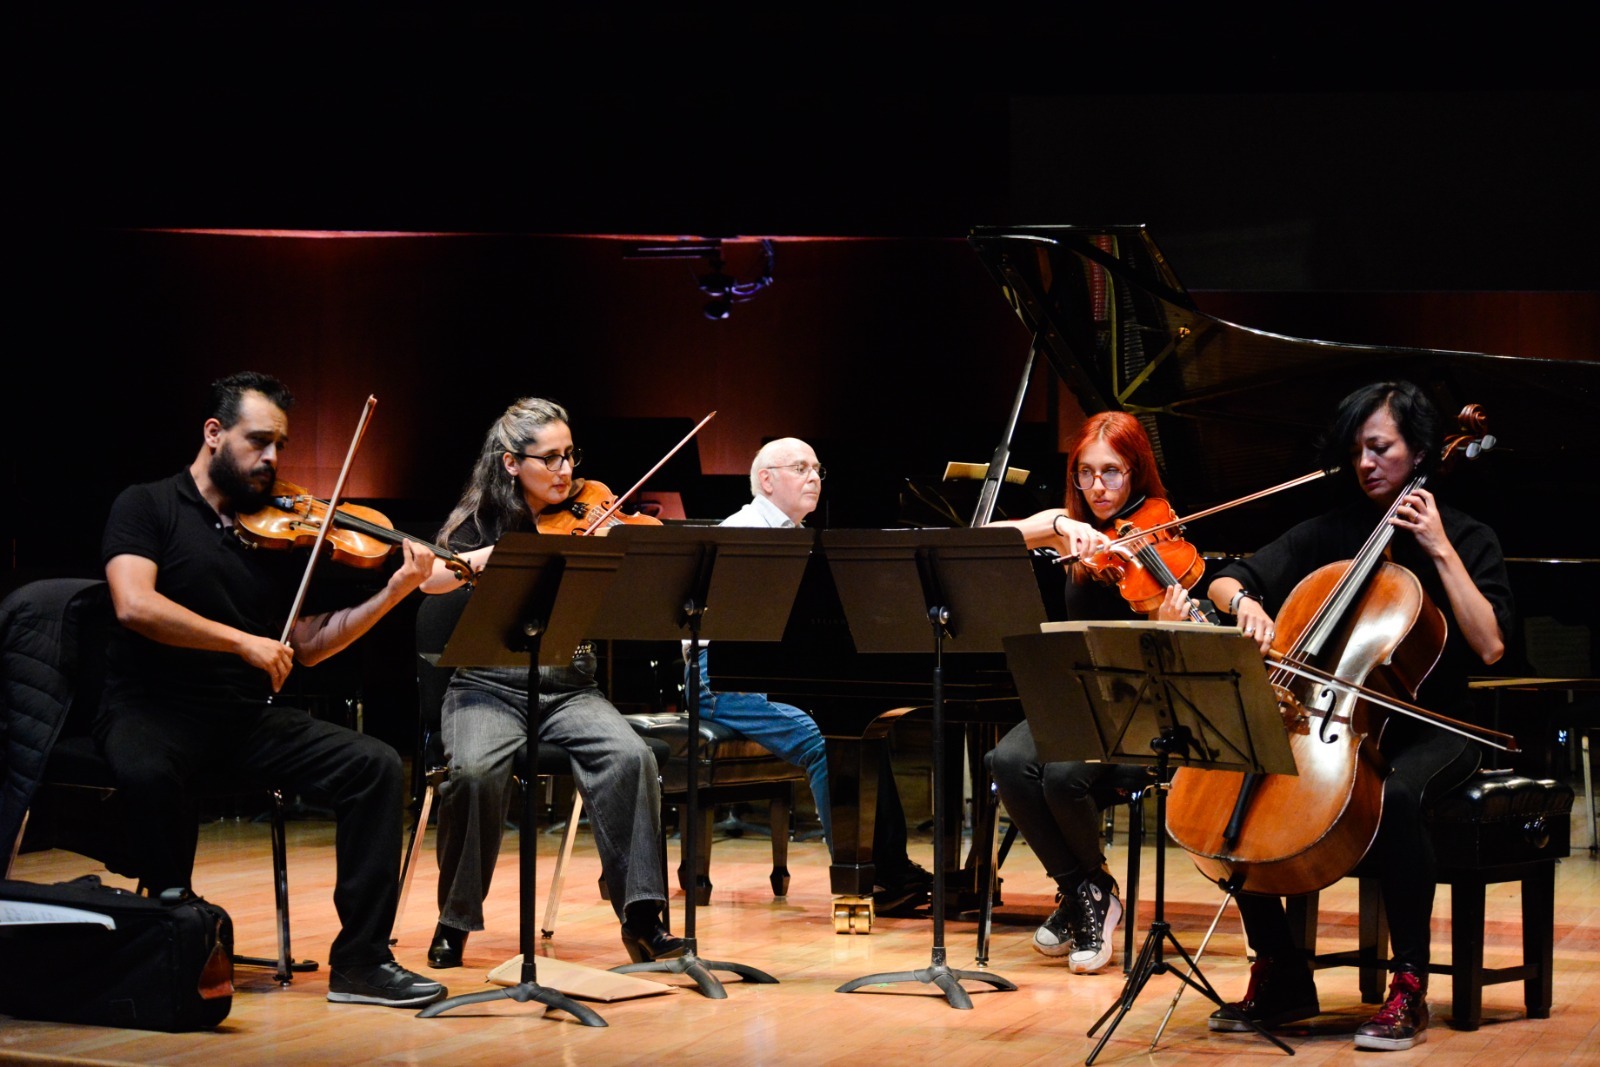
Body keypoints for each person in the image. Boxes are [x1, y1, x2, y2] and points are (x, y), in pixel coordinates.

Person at [96, 371, 446, 1008]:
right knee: (148, 771)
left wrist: (392, 593)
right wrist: (240, 642)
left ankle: (362, 961)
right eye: (259, 442)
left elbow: (307, 642)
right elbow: (133, 604)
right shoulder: (146, 506)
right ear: (214, 433)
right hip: (153, 707)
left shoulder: (275, 530)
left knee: (372, 766)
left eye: (280, 445)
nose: (273, 460)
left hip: (242, 718)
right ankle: (176, 930)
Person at [1203, 381, 1512, 1052]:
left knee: (1394, 795)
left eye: (1379, 448)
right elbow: (1230, 574)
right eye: (1356, 451)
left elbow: (1489, 643)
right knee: (1240, 784)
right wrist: (1245, 605)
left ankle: (1408, 983)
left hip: (1435, 728)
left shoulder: (1466, 536)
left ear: (1423, 452)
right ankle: (1282, 968)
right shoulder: (1334, 530)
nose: (1365, 463)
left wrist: (1437, 548)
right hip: (1337, 721)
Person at [418, 398, 683, 969]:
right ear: (512, 463)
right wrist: (499, 555)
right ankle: (455, 918)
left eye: (569, 455)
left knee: (631, 757)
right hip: (487, 685)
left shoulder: (593, 510)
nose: (565, 471)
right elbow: (431, 578)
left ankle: (641, 918)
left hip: (569, 686)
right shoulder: (482, 518)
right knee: (471, 773)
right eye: (550, 459)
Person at [688, 437, 933, 912]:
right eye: (800, 467)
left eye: (818, 468)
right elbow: (727, 638)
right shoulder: (743, 533)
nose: (814, 477)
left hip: (768, 671)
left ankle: (889, 866)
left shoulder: (800, 536)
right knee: (824, 739)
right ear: (766, 479)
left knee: (863, 730)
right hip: (719, 679)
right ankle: (857, 875)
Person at [987, 411, 1193, 973]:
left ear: (1137, 474)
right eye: (1086, 474)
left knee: (1060, 776)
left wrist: (1171, 617)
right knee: (1006, 761)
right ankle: (1089, 890)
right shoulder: (1076, 532)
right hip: (1080, 692)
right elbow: (982, 541)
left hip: (1140, 702)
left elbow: (1183, 650)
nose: (1098, 488)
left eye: (1113, 473)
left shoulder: (1157, 531)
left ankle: (1083, 896)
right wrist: (1058, 523)